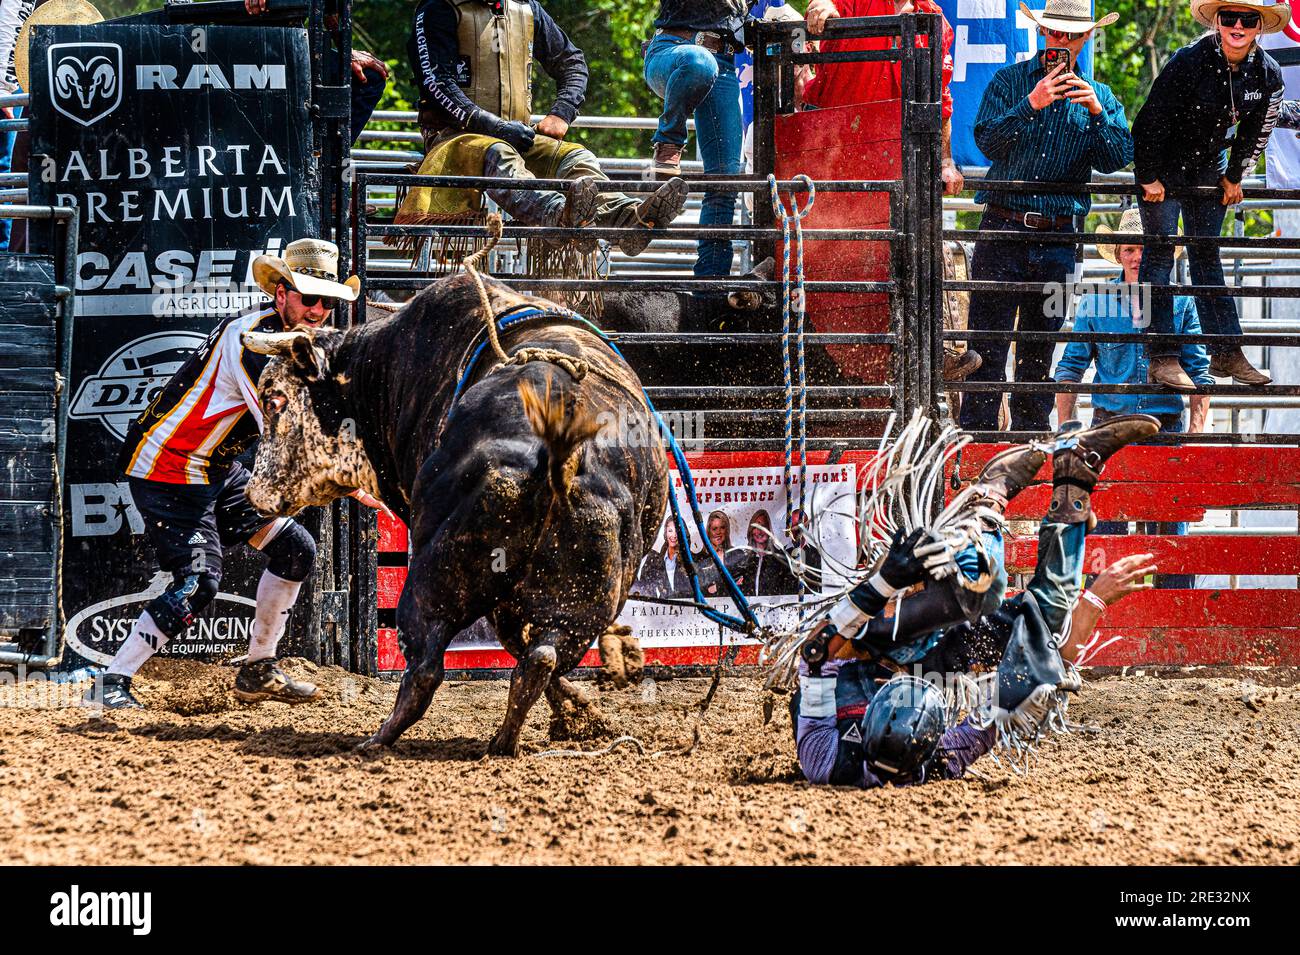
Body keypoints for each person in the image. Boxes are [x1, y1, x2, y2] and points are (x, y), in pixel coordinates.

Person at [85, 240, 386, 710]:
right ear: (281, 293)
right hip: (170, 468)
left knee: (295, 548)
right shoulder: (252, 343)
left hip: (212, 467)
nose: (320, 310)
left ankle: (257, 669)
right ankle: (111, 683)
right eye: (310, 298)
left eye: (328, 301)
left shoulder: (284, 339)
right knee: (198, 583)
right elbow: (286, 432)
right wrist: (357, 477)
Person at [793, 413, 1161, 787]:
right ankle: (1076, 475)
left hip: (870, 649)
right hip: (929, 667)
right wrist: (1095, 600)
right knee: (1047, 617)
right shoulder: (939, 760)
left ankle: (989, 497)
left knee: (974, 591)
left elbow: (815, 654)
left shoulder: (827, 757)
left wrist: (886, 583)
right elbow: (1054, 659)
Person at [958, 0, 1132, 435]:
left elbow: (1116, 158)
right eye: (1056, 34)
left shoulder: (1102, 96)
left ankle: (1032, 447)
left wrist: (1096, 113)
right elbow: (987, 143)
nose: (1062, 43)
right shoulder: (1011, 81)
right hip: (1003, 228)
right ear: (1042, 34)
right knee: (987, 349)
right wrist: (1030, 105)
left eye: (1071, 36)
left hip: (1058, 239)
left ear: (1085, 39)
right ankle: (978, 443)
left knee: (1040, 352)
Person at [406, 0, 687, 257]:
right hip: (454, 139)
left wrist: (561, 113)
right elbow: (437, 83)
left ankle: (628, 219)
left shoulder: (527, 9)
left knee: (577, 157)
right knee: (498, 153)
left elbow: (572, 63)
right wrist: (496, 127)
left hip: (516, 136)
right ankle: (558, 216)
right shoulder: (438, 8)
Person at [1132, 0, 1286, 389]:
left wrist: (1235, 176)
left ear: (1258, 27)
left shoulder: (1268, 74)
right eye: (1229, 17)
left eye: (1247, 19)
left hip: (1209, 166)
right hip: (1165, 163)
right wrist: (1149, 175)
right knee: (1160, 252)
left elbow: (1256, 131)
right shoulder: (1188, 61)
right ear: (1217, 22)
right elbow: (1150, 120)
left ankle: (1226, 352)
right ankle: (1161, 356)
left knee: (1206, 254)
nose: (1237, 25)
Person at [1054, 209, 1211, 589]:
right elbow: (1070, 369)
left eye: (1143, 248)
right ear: (1119, 255)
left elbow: (1200, 373)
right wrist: (1066, 432)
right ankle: (1106, 626)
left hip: (1165, 431)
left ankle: (1174, 622)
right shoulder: (1097, 301)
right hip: (1109, 430)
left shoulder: (1180, 302)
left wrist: (1195, 432)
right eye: (1129, 249)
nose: (1136, 256)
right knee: (1107, 533)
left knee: (1172, 538)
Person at [800, 0, 963, 198]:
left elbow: (940, 101)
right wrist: (821, 8)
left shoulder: (934, 19)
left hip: (894, 164)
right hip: (832, 151)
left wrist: (945, 162)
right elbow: (822, 4)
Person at [644, 1, 755, 277]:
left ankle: (710, 286)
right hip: (674, 52)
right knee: (699, 62)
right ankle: (668, 142)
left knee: (725, 181)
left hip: (725, 62)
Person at [244, 0, 388, 146]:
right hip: (236, 40)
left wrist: (346, 52)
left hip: (292, 42)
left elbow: (330, 10)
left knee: (369, 77)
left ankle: (322, 158)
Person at [634, 515, 693, 598]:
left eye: (677, 531)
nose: (674, 535)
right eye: (670, 531)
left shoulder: (691, 560)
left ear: (684, 533)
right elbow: (648, 590)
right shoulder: (655, 560)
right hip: (661, 609)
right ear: (665, 532)